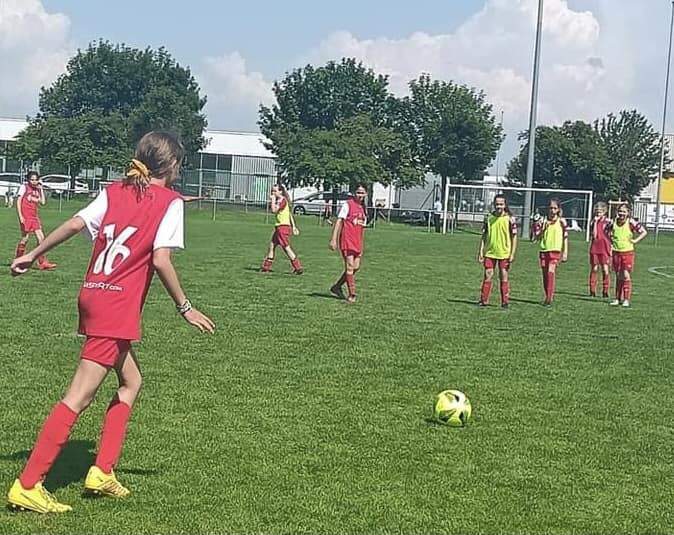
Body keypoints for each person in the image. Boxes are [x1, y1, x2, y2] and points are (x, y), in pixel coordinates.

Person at [7, 131, 215, 514]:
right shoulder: (169, 202)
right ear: (170, 167)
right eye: (180, 165)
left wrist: (33, 254)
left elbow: (73, 224)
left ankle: (102, 471)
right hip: (115, 306)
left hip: (93, 294)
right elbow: (161, 260)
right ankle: (28, 484)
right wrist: (186, 307)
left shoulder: (117, 189)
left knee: (131, 381)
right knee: (79, 396)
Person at [477, 195, 518, 308]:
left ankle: (505, 301)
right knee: (488, 275)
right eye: (497, 204)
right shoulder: (489, 218)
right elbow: (484, 236)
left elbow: (514, 237)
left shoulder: (510, 219)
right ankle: (483, 300)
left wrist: (512, 253)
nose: (499, 206)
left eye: (501, 204)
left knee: (503, 276)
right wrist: (481, 251)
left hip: (504, 253)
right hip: (490, 252)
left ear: (505, 205)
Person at [329, 184, 367, 304]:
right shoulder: (347, 205)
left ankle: (336, 287)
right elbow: (339, 221)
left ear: (366, 194)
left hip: (358, 242)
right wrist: (334, 239)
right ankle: (352, 294)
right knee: (349, 267)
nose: (360, 195)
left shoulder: (363, 208)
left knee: (356, 267)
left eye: (362, 193)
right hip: (347, 240)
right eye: (358, 192)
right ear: (354, 193)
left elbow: (362, 227)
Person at [607, 203, 647, 307]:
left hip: (627, 252)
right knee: (618, 275)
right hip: (616, 252)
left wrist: (635, 240)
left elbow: (643, 232)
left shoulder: (631, 222)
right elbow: (606, 231)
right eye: (620, 211)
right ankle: (617, 298)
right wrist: (611, 241)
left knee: (625, 275)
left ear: (628, 213)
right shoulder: (613, 222)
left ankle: (626, 299)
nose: (621, 213)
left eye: (624, 211)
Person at [15, 171, 56, 270]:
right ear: (28, 180)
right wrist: (21, 216)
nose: (34, 182)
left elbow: (42, 202)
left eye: (36, 180)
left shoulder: (37, 190)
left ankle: (42, 262)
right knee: (25, 239)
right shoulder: (24, 187)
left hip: (34, 217)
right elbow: (18, 201)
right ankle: (18, 260)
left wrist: (41, 189)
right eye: (32, 180)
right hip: (26, 216)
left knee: (41, 239)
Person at [533, 198, 569, 306]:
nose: (552, 210)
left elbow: (565, 237)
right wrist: (543, 229)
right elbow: (536, 238)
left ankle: (549, 298)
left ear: (558, 209)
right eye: (551, 208)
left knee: (550, 272)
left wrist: (565, 251)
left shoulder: (562, 221)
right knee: (545, 275)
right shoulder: (543, 221)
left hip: (555, 250)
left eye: (554, 208)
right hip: (544, 250)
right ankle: (547, 294)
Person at [260, 184, 303, 274]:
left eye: (275, 191)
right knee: (272, 246)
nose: (273, 193)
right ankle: (266, 267)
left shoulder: (282, 201)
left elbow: (274, 210)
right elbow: (289, 214)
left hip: (282, 228)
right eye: (272, 191)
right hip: (279, 227)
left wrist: (272, 200)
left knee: (286, 248)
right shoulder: (280, 200)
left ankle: (298, 267)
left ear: (280, 191)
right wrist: (294, 226)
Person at [588, 201, 611, 298]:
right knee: (594, 268)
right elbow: (594, 235)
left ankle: (605, 291)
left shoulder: (608, 222)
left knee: (605, 269)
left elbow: (611, 235)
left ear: (604, 212)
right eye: (597, 212)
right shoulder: (593, 222)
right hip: (595, 247)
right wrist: (596, 222)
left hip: (605, 248)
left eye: (600, 212)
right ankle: (592, 290)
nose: (598, 213)